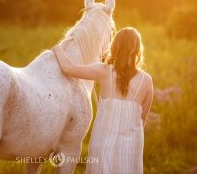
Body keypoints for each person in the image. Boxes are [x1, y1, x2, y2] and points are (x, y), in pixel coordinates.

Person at [52, 27, 154, 174]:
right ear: (137, 49)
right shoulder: (147, 81)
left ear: (114, 46)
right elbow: (142, 120)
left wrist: (57, 48)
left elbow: (68, 68)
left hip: (103, 142)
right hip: (131, 146)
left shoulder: (104, 71)